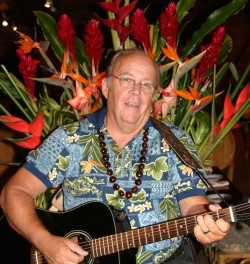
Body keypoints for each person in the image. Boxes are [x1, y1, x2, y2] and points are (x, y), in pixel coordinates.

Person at [0, 49, 230, 264]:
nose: (136, 91)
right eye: (127, 80)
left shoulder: (175, 141)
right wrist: (45, 242)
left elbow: (193, 206)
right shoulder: (68, 139)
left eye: (146, 84)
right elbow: (15, 192)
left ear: (153, 96)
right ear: (106, 87)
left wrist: (207, 223)